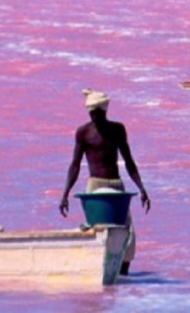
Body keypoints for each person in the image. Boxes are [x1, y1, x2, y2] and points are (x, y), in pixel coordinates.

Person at [59, 89, 151, 276]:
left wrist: (141, 188)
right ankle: (97, 272)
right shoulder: (83, 132)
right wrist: (65, 194)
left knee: (127, 232)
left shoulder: (117, 130)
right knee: (96, 231)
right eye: (91, 113)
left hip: (116, 185)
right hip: (95, 185)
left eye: (98, 113)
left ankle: (123, 278)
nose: (94, 116)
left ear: (105, 111)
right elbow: (75, 165)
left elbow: (129, 160)